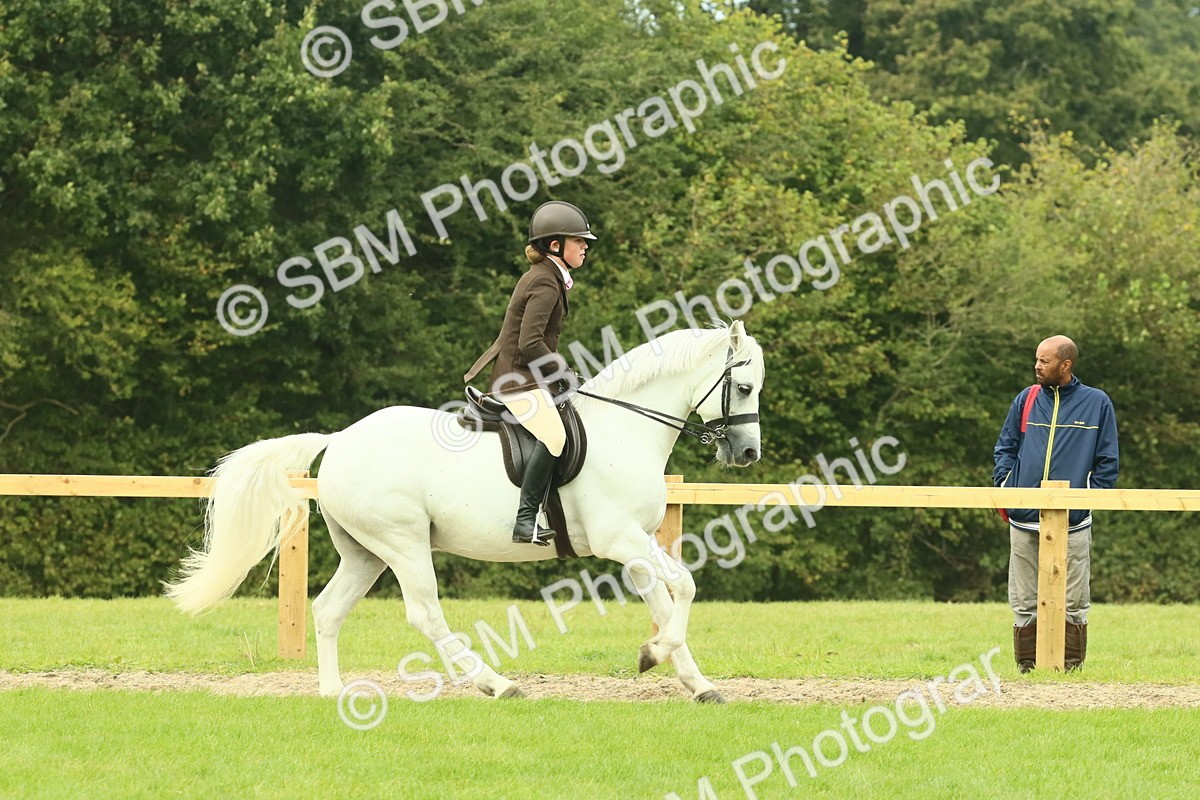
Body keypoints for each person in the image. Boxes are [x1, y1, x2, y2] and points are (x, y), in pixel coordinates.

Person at [464, 200, 596, 546]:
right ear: (555, 245)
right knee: (555, 437)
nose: (585, 246)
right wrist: (563, 370)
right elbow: (530, 343)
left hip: (529, 377)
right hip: (517, 382)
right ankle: (525, 521)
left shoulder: (549, 277)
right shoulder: (545, 282)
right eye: (579, 241)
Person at [993, 335, 1118, 673]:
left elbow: (1108, 461)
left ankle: (1071, 669)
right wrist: (1006, 485)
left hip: (1073, 522)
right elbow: (1005, 446)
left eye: (1044, 361)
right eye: (1036, 359)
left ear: (1065, 365)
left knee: (1075, 602)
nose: (1037, 366)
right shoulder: (1026, 398)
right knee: (1024, 601)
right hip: (1024, 519)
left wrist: (1088, 499)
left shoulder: (1097, 402)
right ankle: (1027, 668)